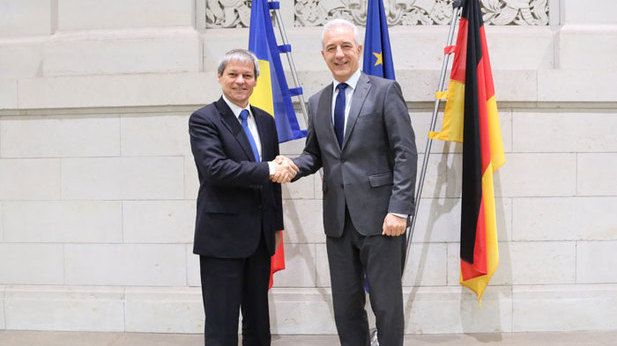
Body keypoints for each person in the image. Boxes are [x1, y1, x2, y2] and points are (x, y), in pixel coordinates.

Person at [275, 19, 417, 346]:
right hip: (338, 222)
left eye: (345, 47)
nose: (339, 54)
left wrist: (399, 210)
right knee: (346, 306)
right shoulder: (317, 101)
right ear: (323, 55)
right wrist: (292, 165)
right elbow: (316, 154)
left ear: (359, 50)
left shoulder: (384, 91)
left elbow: (405, 153)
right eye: (331, 49)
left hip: (382, 220)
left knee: (387, 304)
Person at [189, 48, 298, 346]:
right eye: (233, 74)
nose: (240, 81)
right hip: (222, 240)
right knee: (222, 324)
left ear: (255, 81)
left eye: (247, 75)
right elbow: (216, 169)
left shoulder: (265, 121)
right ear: (220, 77)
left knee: (258, 323)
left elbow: (272, 183)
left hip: (260, 240)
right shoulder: (204, 119)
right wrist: (266, 168)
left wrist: (277, 227)